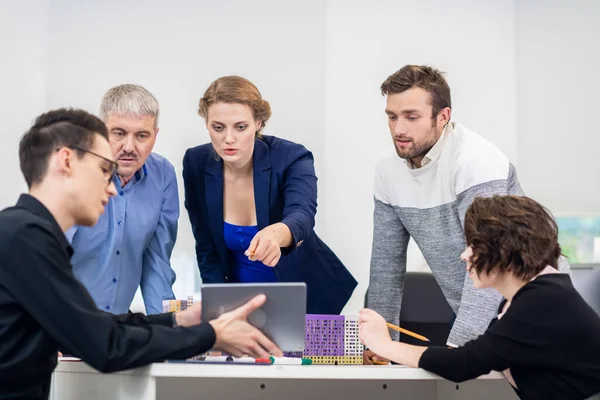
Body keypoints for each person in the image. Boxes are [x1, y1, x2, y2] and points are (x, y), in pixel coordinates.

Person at [0, 108, 282, 400]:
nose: (111, 189)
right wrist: (211, 335)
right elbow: (105, 345)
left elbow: (94, 325)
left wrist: (179, 320)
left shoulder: (23, 235)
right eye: (103, 170)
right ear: (67, 161)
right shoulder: (26, 239)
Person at [365, 65, 570, 361]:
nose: (399, 129)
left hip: (536, 308)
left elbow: (492, 260)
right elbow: (386, 266)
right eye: (392, 116)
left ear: (443, 116)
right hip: (471, 310)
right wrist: (381, 344)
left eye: (412, 117)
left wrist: (458, 352)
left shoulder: (476, 161)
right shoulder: (386, 171)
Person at [359, 195, 600, 400]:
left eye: (473, 245)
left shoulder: (542, 301)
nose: (464, 255)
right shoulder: (534, 296)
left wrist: (385, 345)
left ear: (502, 249)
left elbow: (463, 363)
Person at [183, 76, 357, 314]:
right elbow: (206, 247)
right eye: (218, 127)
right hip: (241, 303)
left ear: (258, 123)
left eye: (240, 127)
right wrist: (220, 309)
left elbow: (302, 215)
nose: (229, 139)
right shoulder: (196, 163)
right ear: (207, 124)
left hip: (306, 297)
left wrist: (276, 235)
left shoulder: (291, 156)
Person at [66, 84, 178, 314]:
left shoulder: (163, 175)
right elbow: (47, 263)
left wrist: (172, 334)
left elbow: (157, 263)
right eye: (119, 133)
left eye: (142, 135)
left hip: (116, 330)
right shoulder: (74, 173)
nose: (129, 147)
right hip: (64, 324)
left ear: (155, 135)